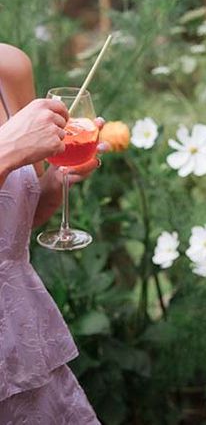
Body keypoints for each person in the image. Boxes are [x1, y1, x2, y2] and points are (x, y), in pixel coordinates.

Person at [0, 43, 104, 422]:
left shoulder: (8, 68)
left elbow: (14, 226)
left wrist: (59, 180)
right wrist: (6, 149)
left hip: (18, 344)